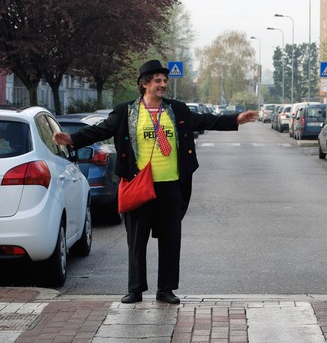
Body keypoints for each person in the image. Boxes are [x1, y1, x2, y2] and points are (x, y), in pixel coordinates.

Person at [53, 60, 258, 304]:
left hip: (171, 185)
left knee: (171, 239)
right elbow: (100, 130)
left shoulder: (176, 110)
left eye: (164, 80)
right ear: (144, 83)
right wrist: (72, 139)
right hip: (139, 184)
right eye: (157, 80)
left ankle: (166, 289)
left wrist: (235, 119)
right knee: (137, 240)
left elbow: (205, 120)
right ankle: (135, 289)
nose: (162, 84)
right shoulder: (126, 112)